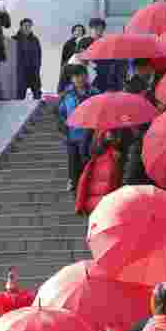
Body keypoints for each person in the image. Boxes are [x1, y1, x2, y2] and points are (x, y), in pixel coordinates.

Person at [58, 64, 101, 192]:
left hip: (89, 136)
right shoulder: (67, 95)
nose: (79, 79)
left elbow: (100, 112)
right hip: (72, 135)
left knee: (86, 164)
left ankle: (86, 187)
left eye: (82, 75)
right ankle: (73, 183)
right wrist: (64, 128)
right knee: (73, 163)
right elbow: (60, 113)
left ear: (86, 76)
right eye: (76, 76)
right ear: (71, 78)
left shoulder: (94, 93)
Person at [75, 131, 124, 215]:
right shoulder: (113, 160)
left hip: (94, 205)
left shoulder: (92, 162)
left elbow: (83, 183)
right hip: (107, 204)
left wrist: (79, 205)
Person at [13, 18, 43, 100]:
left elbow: (39, 55)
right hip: (20, 71)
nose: (27, 27)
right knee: (20, 95)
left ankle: (37, 111)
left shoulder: (35, 40)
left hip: (33, 70)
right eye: (25, 26)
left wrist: (38, 67)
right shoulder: (15, 39)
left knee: (37, 94)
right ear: (21, 27)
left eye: (29, 26)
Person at [59, 24, 86, 91]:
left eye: (81, 31)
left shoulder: (86, 42)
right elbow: (64, 57)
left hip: (82, 68)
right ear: (73, 32)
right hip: (70, 68)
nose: (79, 32)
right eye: (77, 30)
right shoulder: (68, 43)